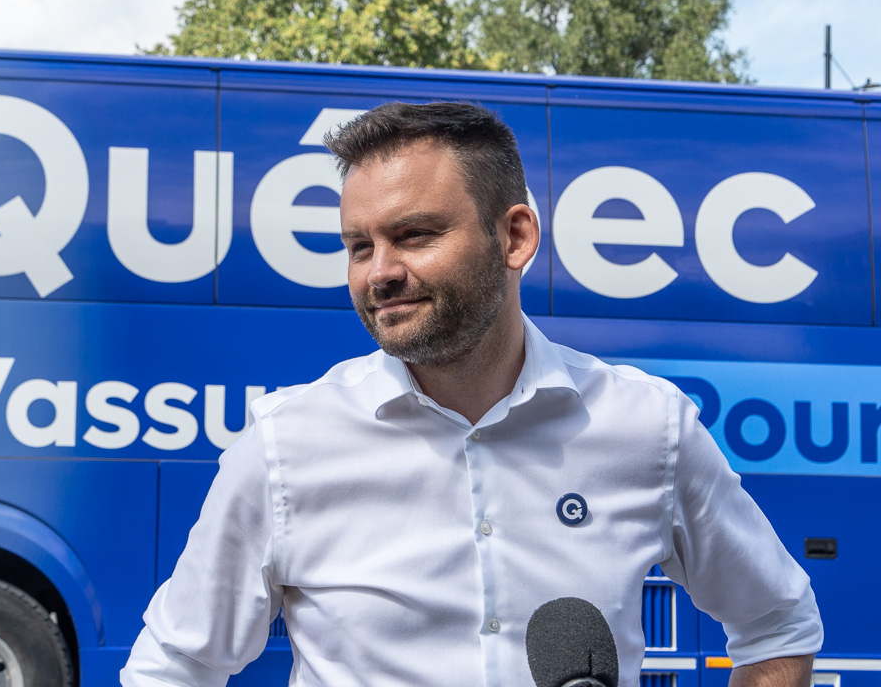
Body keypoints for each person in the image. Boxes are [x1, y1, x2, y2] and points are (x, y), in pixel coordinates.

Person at [121, 102, 822, 687]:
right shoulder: (284, 446)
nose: (379, 273)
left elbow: (778, 623)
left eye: (414, 235)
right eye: (359, 246)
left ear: (515, 236)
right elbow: (175, 665)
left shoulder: (649, 427)